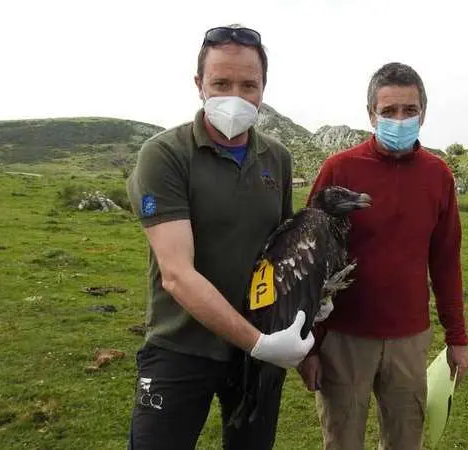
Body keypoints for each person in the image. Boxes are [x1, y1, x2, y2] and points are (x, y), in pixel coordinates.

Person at [125, 25, 313, 449]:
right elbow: (176, 274)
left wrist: (309, 306)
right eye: (221, 83)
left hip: (258, 352)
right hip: (181, 347)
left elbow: (279, 254)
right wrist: (261, 344)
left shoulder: (277, 159)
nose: (236, 96)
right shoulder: (165, 155)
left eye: (249, 85)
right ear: (199, 85)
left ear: (264, 88)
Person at [298, 62, 468, 450]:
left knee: (406, 441)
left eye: (409, 110)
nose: (399, 119)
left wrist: (457, 338)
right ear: (370, 114)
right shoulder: (339, 169)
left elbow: (446, 261)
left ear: (423, 113)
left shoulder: (438, 175)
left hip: (409, 340)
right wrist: (308, 345)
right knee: (342, 441)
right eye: (389, 110)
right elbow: (308, 264)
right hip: (343, 339)